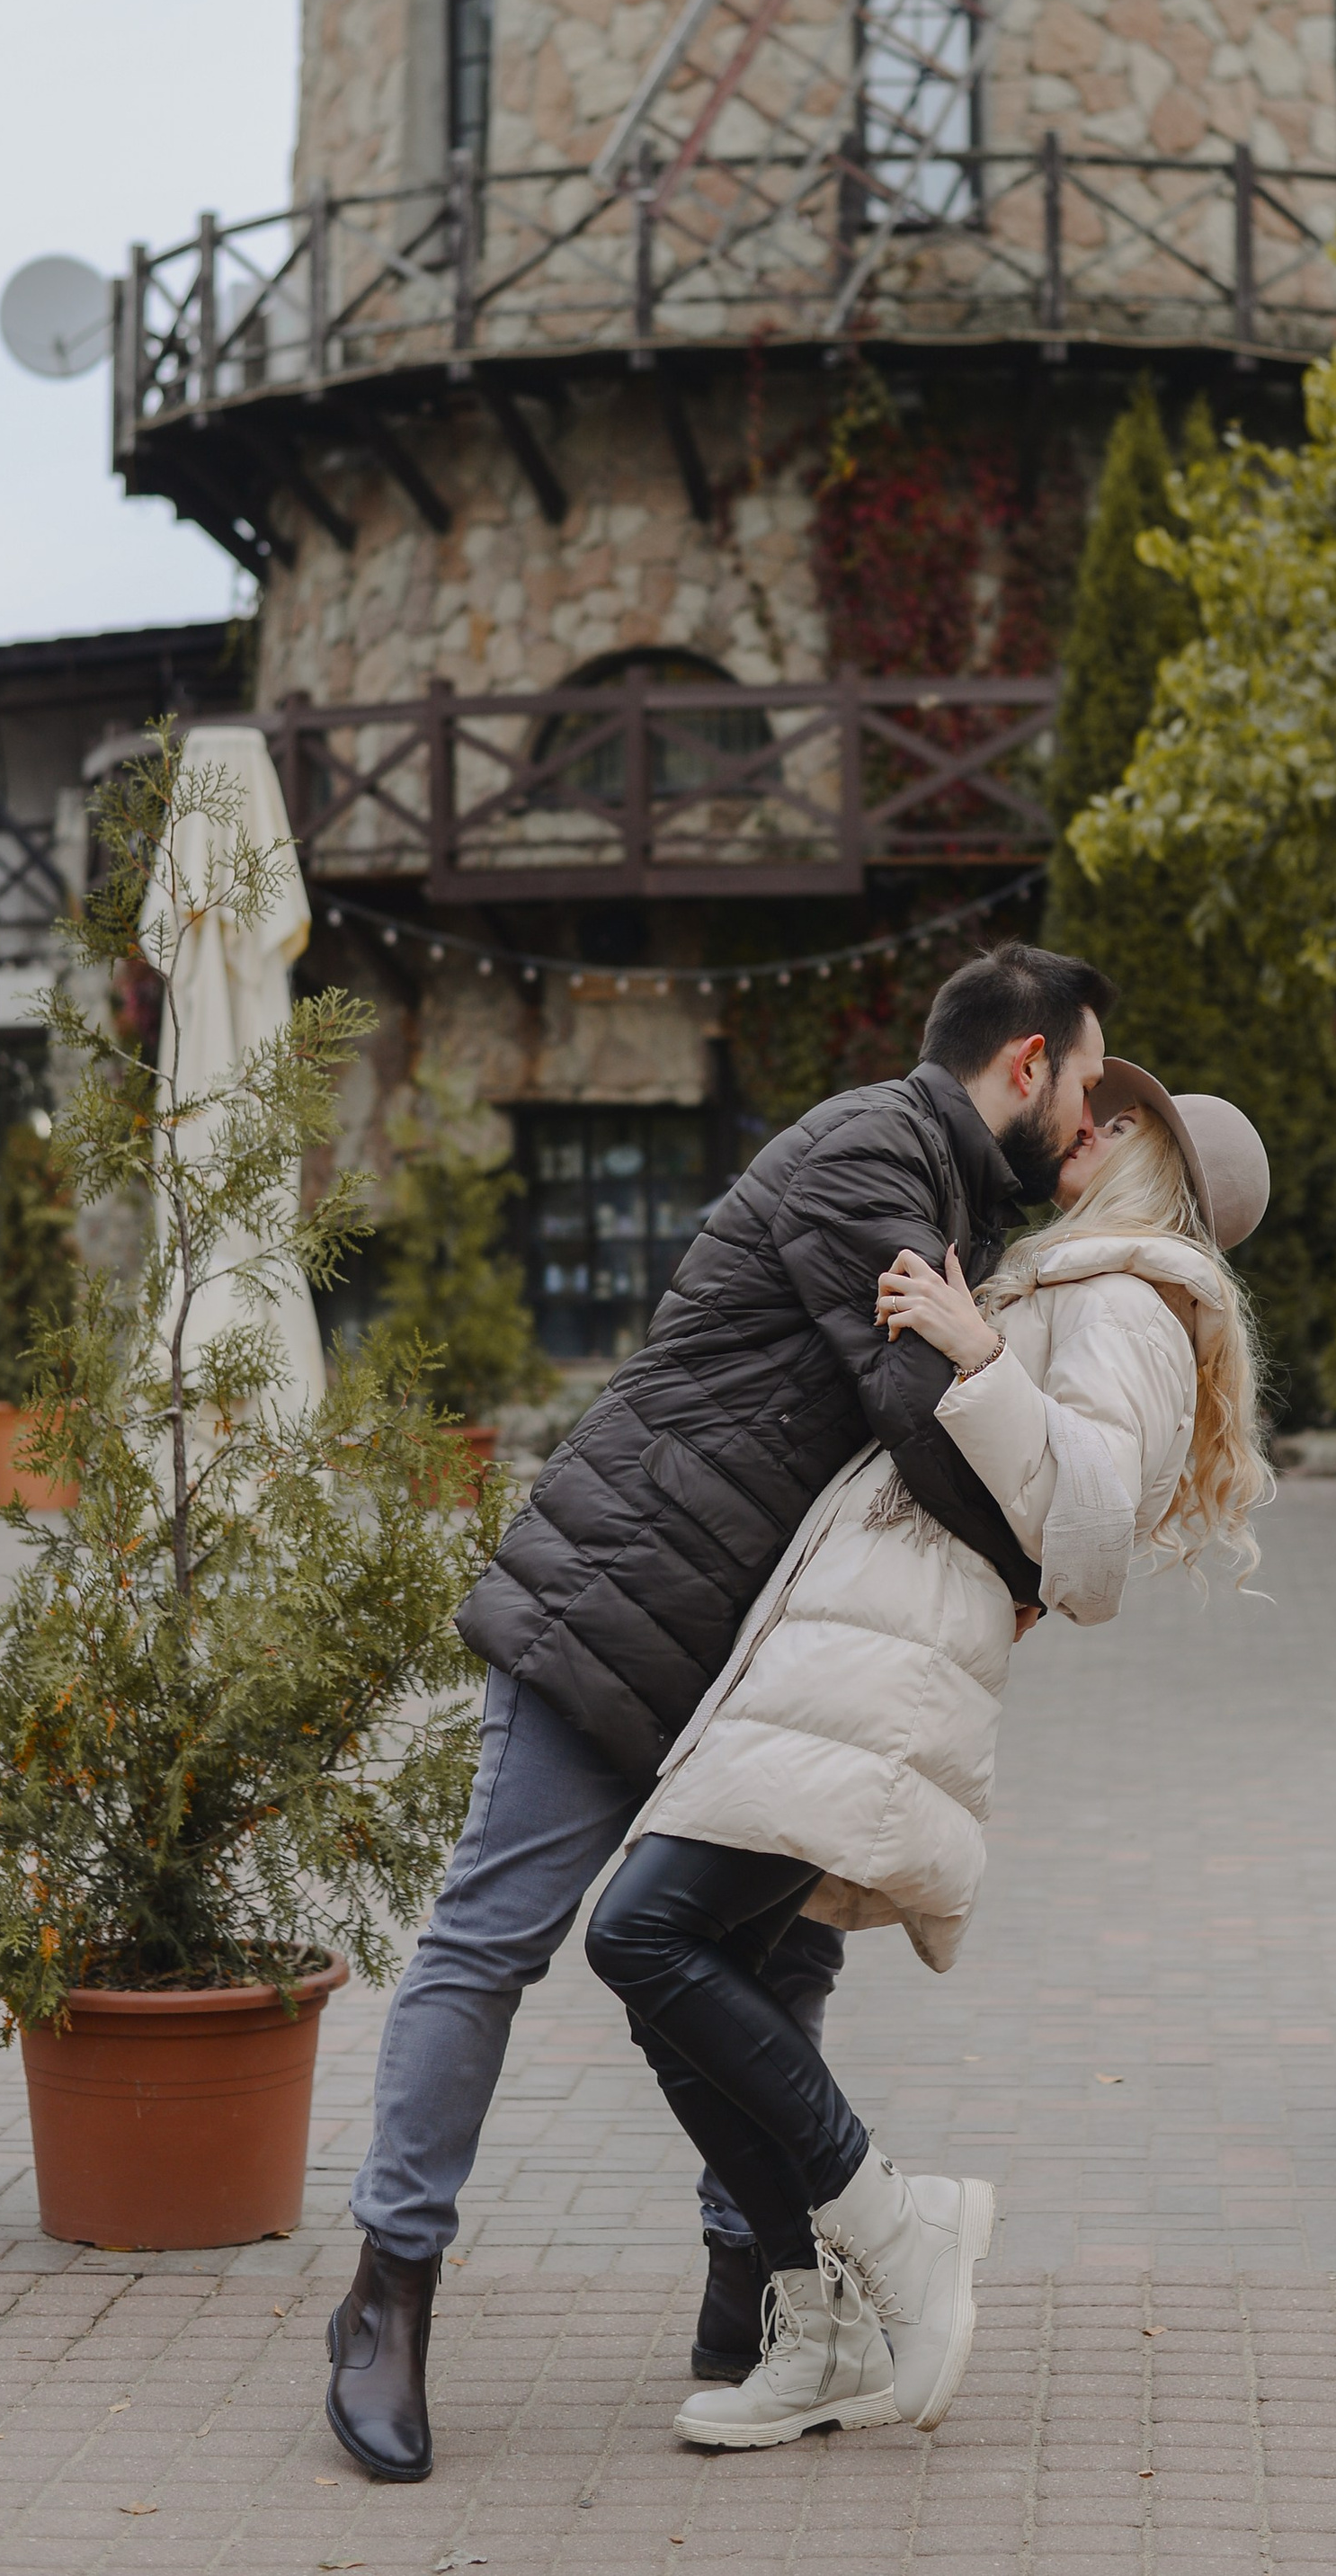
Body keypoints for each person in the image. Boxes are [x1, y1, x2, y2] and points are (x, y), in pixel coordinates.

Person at [325, 941, 1114, 2482]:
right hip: (622, 1605)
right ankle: (385, 2297)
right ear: (1025, 1063)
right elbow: (910, 1409)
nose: (1087, 1123)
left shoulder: (950, 1203)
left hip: (750, 1650)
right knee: (492, 1938)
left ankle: (747, 2289)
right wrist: (1032, 1538)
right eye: (1086, 1084)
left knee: (781, 1948)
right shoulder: (868, 1151)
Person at [583, 1059, 1269, 2451]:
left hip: (889, 1665)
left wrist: (977, 1354)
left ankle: (898, 2224)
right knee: (685, 1975)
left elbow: (1085, 1540)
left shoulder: (1131, 1301)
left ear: (1165, 1179)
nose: (1096, 1114)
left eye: (1130, 1121)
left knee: (642, 1935)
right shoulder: (1071, 1279)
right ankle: (820, 2321)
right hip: (855, 1644)